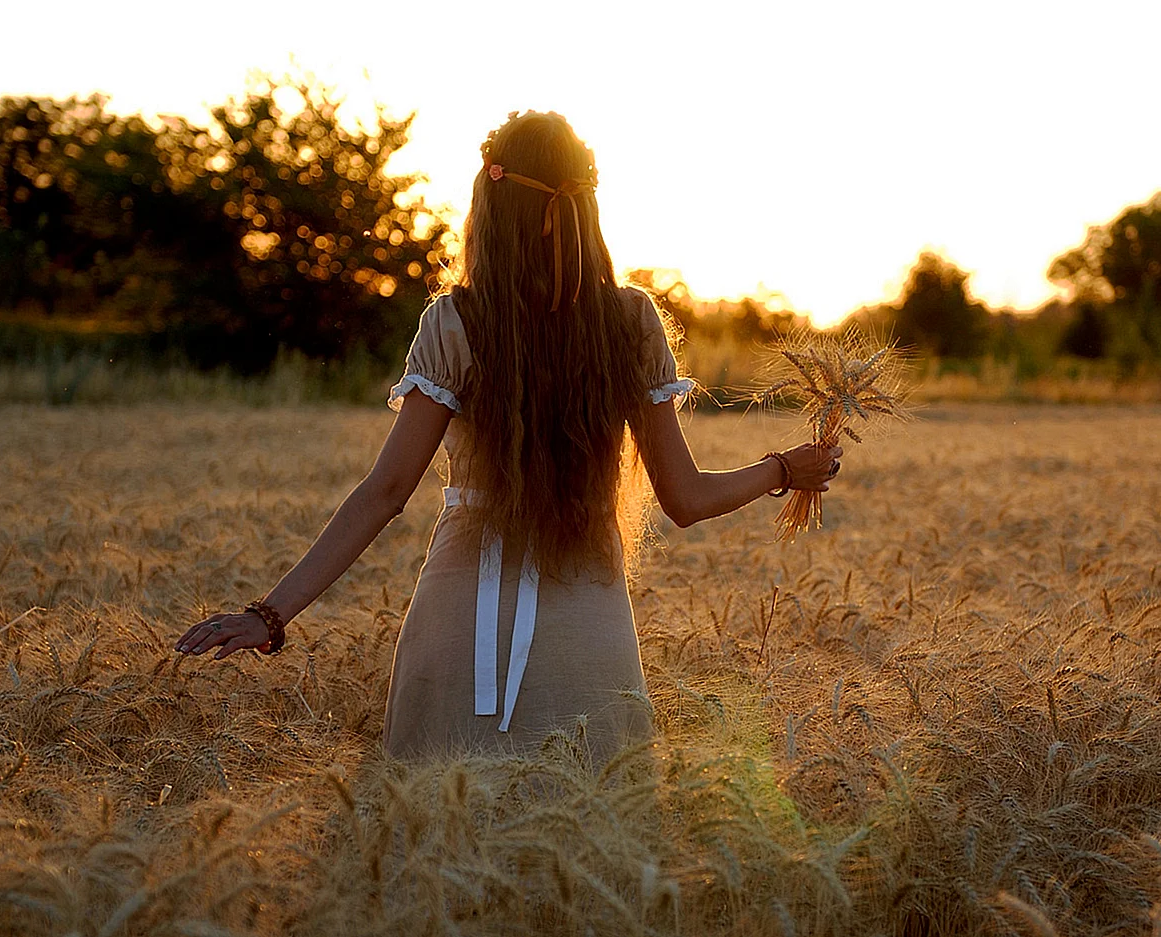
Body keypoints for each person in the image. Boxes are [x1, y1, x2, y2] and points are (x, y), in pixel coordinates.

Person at [174, 111, 843, 763]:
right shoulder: (632, 322)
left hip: (459, 627)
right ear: (581, 210)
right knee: (593, 841)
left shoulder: (455, 322)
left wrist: (270, 614)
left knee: (439, 847)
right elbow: (687, 498)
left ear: (498, 208)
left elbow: (383, 492)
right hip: (590, 628)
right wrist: (784, 468)